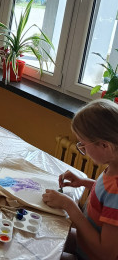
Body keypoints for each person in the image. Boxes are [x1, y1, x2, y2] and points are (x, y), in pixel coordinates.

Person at [42, 99, 118, 260]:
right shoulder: (113, 166)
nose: (82, 149)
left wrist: (68, 205)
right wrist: (84, 182)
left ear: (105, 146)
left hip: (91, 255)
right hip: (84, 244)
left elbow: (107, 253)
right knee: (45, 234)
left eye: (83, 145)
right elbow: (105, 194)